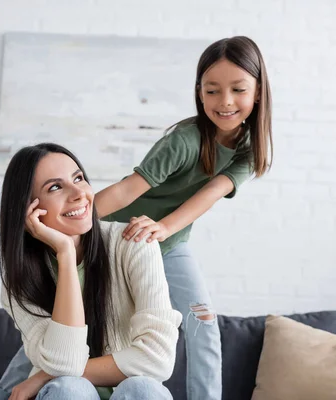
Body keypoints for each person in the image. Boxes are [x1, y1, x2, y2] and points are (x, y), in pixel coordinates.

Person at [94, 36, 273, 400]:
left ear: (257, 92)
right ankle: (4, 392)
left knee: (203, 321)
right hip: (119, 239)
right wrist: (70, 225)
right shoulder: (184, 140)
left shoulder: (250, 148)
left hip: (169, 241)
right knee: (67, 323)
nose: (224, 101)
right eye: (212, 90)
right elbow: (128, 190)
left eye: (237, 89)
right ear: (199, 93)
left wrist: (163, 229)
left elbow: (209, 194)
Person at [0, 143, 182, 400]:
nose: (79, 194)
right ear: (28, 211)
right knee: (69, 389)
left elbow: (158, 359)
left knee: (143, 388)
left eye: (78, 178)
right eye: (55, 187)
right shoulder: (19, 283)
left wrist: (43, 376)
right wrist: (66, 254)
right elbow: (64, 365)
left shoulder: (133, 243)